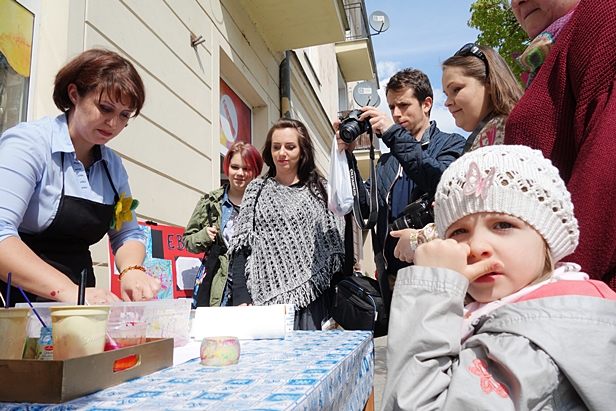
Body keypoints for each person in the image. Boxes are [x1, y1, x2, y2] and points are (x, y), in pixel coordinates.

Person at [382, 145, 616, 411]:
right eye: (459, 231)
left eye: (503, 225)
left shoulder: (529, 345)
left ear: (547, 238)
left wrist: (430, 293)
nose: (477, 244)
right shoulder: (521, 311)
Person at [0, 49, 161, 306]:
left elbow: (127, 233)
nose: (113, 123)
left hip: (77, 307)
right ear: (74, 94)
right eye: (105, 108)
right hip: (14, 303)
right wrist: (69, 291)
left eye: (124, 115)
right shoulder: (29, 144)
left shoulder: (113, 167)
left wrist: (131, 270)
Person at [505, 0, 616, 290]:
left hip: (583, 291)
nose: (518, 1)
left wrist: (560, 288)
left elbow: (606, 163)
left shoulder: (603, 12)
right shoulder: (549, 55)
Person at [391, 44, 523, 263]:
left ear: (488, 84)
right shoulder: (495, 130)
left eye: (456, 89)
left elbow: (482, 214)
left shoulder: (498, 132)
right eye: (446, 93)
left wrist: (418, 239)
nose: (448, 101)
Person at [337, 68, 466, 292]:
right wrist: (348, 157)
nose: (396, 114)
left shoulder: (451, 144)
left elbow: (439, 182)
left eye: (404, 105)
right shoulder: (388, 161)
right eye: (391, 107)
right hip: (393, 279)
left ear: (426, 104)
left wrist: (393, 135)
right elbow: (366, 210)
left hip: (437, 273)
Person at [229, 118, 345, 330]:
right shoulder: (256, 191)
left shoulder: (321, 192)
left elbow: (334, 250)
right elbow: (241, 248)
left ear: (302, 151)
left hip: (313, 301)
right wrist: (241, 297)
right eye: (276, 147)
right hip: (264, 303)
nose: (282, 153)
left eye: (290, 147)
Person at [183, 142, 263, 307]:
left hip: (254, 286)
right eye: (235, 167)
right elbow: (188, 241)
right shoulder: (211, 202)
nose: (240, 173)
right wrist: (204, 236)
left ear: (255, 171)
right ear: (227, 167)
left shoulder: (263, 204)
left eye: (246, 168)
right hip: (218, 285)